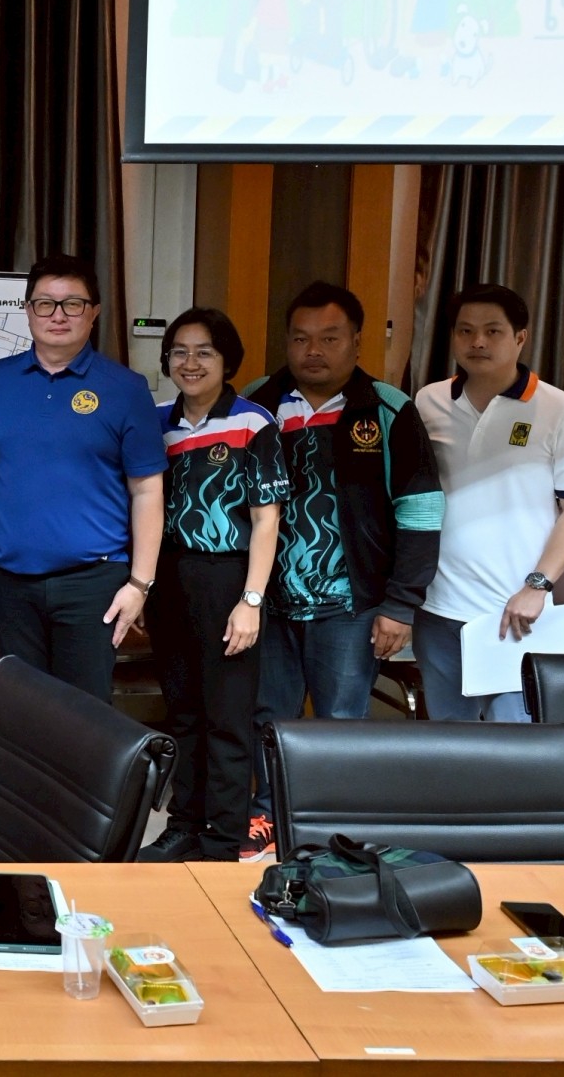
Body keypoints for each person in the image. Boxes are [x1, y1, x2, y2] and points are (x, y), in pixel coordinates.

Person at [244, 281, 443, 861]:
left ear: (356, 341)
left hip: (351, 604)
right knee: (267, 716)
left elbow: (421, 509)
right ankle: (267, 815)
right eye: (300, 338)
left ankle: (328, 827)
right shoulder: (257, 404)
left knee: (340, 723)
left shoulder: (387, 409)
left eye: (329, 338)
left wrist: (400, 604)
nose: (313, 351)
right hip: (267, 601)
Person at [0, 254, 165, 703]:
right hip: (9, 582)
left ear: (94, 312)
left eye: (73, 304)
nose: (58, 315)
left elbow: (148, 489)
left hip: (93, 584)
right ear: (27, 310)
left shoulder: (126, 388)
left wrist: (140, 584)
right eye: (45, 304)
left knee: (85, 715)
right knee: (21, 709)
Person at [414, 284, 564, 722]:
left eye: (492, 331)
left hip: (516, 611)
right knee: (448, 741)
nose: (477, 342)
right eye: (465, 331)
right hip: (437, 607)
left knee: (516, 740)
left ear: (520, 338)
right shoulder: (428, 401)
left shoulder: (562, 410)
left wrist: (538, 586)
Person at [138, 308, 285, 864]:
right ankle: (183, 825)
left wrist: (251, 601)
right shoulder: (157, 422)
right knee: (182, 713)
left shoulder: (253, 422)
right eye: (179, 351)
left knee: (227, 718)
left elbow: (267, 520)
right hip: (169, 577)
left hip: (229, 579)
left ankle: (222, 839)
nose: (190, 362)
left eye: (205, 352)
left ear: (227, 361)